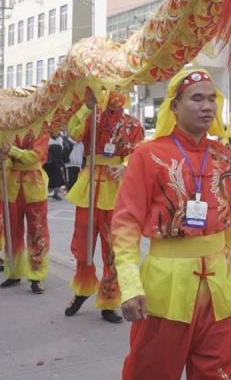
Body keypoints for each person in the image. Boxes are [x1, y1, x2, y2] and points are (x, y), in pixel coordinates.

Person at [113, 68, 231, 379]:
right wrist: (129, 284)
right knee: (151, 371)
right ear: (175, 106)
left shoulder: (225, 157)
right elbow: (126, 223)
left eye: (212, 99)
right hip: (166, 288)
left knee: (224, 373)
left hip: (222, 284)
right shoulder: (147, 155)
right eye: (197, 99)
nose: (207, 106)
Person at [64, 91, 145, 323]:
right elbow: (74, 133)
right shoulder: (93, 117)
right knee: (82, 244)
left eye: (120, 87)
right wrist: (86, 107)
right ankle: (82, 289)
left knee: (113, 249)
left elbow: (139, 153)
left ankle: (109, 300)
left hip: (115, 189)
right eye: (111, 87)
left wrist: (126, 166)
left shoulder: (132, 124)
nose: (115, 93)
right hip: (89, 188)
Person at [0, 131, 51, 294]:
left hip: (34, 185)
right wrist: (0, 160)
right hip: (12, 187)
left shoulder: (41, 129)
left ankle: (36, 275)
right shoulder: (9, 130)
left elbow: (34, 156)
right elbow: (6, 159)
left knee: (37, 232)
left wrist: (10, 151)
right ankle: (13, 272)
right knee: (12, 231)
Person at [46, 134, 67, 201]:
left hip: (57, 162)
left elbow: (63, 149)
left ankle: (56, 194)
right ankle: (45, 194)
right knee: (49, 180)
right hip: (49, 163)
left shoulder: (60, 138)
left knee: (58, 180)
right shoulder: (48, 138)